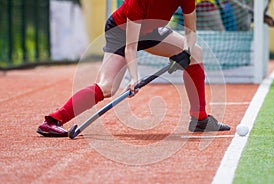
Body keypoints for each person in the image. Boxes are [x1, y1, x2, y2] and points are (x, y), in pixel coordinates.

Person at [37, 0, 230, 137]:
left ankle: (200, 119)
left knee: (196, 53)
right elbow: (131, 46)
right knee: (107, 87)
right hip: (120, 33)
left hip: (151, 31)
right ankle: (53, 120)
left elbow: (191, 32)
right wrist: (134, 77)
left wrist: (186, 52)